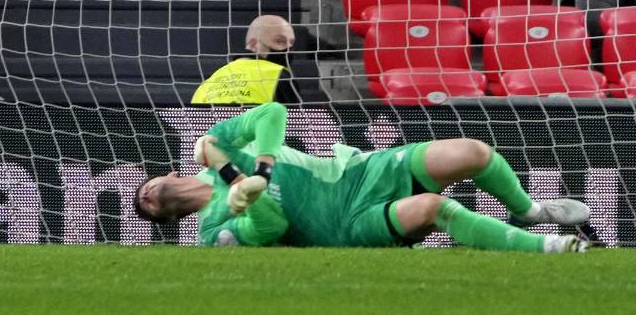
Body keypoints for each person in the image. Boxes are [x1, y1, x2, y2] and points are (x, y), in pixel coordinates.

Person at [133, 102, 591, 252]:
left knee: (474, 152)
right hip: (346, 226)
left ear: (169, 172)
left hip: (359, 171)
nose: (144, 195)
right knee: (433, 207)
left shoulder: (216, 149)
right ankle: (548, 247)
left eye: (144, 187)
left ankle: (529, 210)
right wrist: (244, 193)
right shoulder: (211, 232)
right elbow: (270, 227)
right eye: (144, 205)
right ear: (168, 219)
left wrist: (249, 169)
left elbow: (272, 111)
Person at [196, 16, 328, 105]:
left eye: (291, 43)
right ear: (253, 44)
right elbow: (291, 127)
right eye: (279, 41)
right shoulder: (277, 74)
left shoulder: (209, 82)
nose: (288, 48)